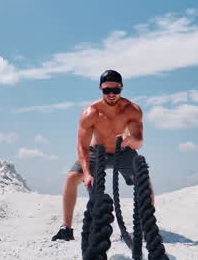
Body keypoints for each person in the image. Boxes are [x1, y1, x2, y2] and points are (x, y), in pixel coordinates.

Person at [52, 69, 147, 241]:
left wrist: (129, 139)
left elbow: (139, 143)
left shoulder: (132, 110)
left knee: (144, 180)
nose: (111, 94)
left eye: (115, 90)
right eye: (106, 90)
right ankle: (66, 228)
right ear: (100, 89)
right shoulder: (91, 113)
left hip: (124, 151)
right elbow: (82, 146)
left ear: (122, 88)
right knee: (72, 177)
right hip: (97, 152)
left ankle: (147, 226)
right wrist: (87, 174)